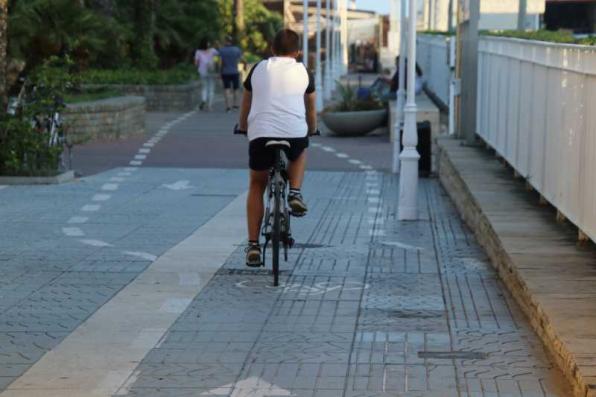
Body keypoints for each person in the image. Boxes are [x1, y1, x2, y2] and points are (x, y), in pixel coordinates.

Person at [238, 28, 317, 267]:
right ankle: (294, 191)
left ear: (272, 49)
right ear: (298, 51)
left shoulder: (259, 68)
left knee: (256, 184)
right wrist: (311, 129)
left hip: (261, 133)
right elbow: (311, 107)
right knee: (301, 150)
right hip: (294, 132)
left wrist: (243, 127)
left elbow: (246, 102)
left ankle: (253, 246)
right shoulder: (304, 71)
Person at [218, 37, 243, 113]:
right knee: (236, 89)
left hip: (225, 72)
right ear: (231, 42)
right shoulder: (236, 50)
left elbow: (220, 63)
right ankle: (236, 105)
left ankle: (228, 107)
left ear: (225, 41)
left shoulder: (222, 50)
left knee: (227, 89)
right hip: (235, 72)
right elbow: (240, 60)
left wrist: (219, 72)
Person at [194, 40, 219, 111]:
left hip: (202, 72)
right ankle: (210, 106)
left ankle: (204, 99)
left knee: (204, 87)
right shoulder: (212, 50)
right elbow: (220, 54)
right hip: (211, 71)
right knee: (211, 88)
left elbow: (196, 63)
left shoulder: (198, 52)